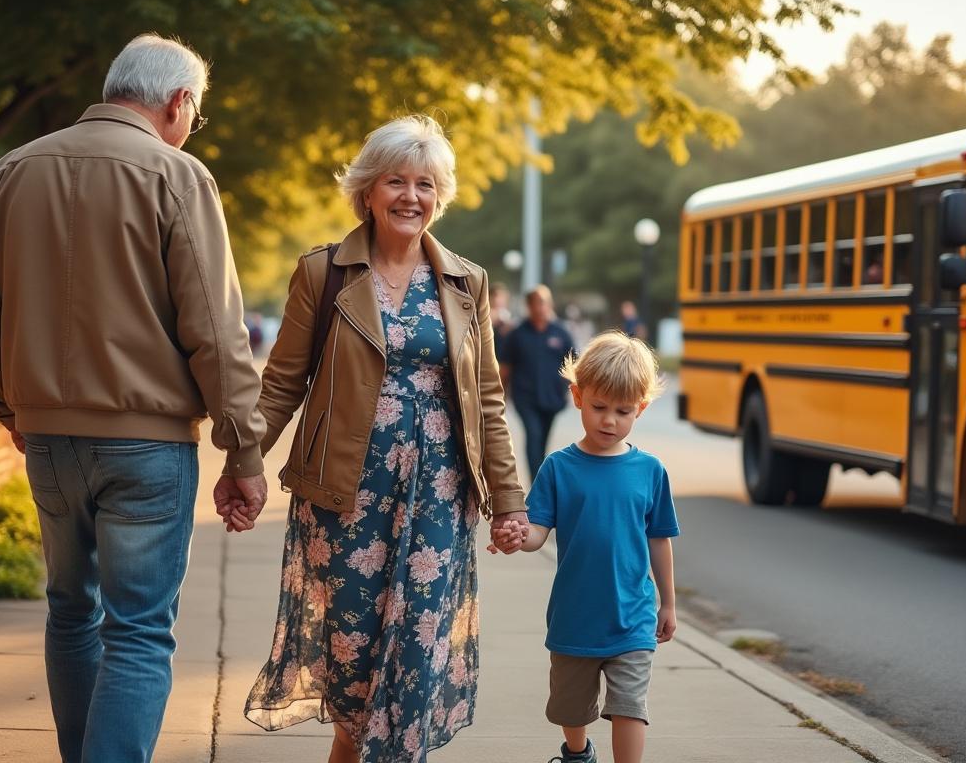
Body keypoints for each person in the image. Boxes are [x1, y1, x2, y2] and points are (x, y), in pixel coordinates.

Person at [0, 34, 269, 763]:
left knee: (70, 612)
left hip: (51, 443)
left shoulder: (13, 170)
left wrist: (12, 411)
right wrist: (243, 449)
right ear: (178, 102)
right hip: (148, 446)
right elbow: (216, 333)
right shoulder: (177, 175)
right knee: (137, 630)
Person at [244, 114, 527, 763]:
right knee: (356, 677)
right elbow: (282, 383)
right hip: (346, 502)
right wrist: (243, 464)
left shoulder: (465, 284)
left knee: (415, 672)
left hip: (438, 499)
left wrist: (510, 500)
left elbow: (486, 397)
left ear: (439, 195)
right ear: (368, 191)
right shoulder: (324, 274)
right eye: (396, 181)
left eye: (425, 184)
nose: (411, 196)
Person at [491, 331, 678, 763]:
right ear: (577, 397)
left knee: (630, 707)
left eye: (623, 411)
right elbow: (539, 531)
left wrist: (668, 603)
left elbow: (660, 538)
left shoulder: (650, 471)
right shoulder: (559, 467)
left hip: (632, 615)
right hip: (575, 616)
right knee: (570, 708)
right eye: (599, 407)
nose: (609, 420)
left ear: (641, 409)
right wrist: (520, 537)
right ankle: (577, 753)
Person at [500, 285, 575, 478]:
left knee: (542, 441)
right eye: (536, 303)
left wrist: (573, 390)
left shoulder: (560, 333)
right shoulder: (517, 334)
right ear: (529, 306)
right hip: (526, 398)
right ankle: (537, 485)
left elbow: (575, 365)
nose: (541, 307)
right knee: (533, 436)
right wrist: (500, 396)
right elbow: (505, 367)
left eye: (544, 303)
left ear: (550, 305)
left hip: (552, 398)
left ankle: (540, 481)